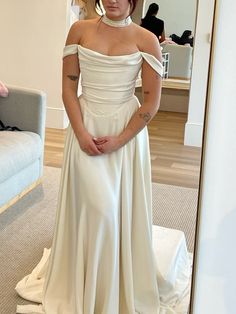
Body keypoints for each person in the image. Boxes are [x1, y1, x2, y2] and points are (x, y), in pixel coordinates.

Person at [15, 0, 190, 312]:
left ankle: (111, 287)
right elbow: (68, 88)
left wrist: (120, 140)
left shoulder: (145, 39)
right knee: (94, 206)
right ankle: (85, 284)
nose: (112, 0)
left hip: (125, 130)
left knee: (112, 209)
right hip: (86, 124)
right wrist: (80, 132)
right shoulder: (79, 31)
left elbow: (151, 102)